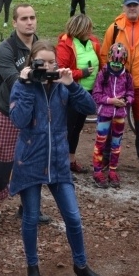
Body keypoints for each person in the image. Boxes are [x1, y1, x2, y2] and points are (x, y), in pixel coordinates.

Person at [8, 40, 105, 276]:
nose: (48, 66)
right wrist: (27, 85)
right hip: (30, 161)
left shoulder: (63, 88)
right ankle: (32, 266)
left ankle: (81, 265)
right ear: (31, 64)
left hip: (58, 162)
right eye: (42, 62)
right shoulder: (21, 86)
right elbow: (18, 120)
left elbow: (91, 108)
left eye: (52, 62)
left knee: (73, 217)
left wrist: (72, 85)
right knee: (30, 218)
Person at [0, 4, 49, 235]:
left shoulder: (40, 46)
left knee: (32, 161)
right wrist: (37, 77)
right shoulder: (6, 48)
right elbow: (12, 79)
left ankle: (28, 208)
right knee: (3, 161)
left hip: (34, 113)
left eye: (32, 17)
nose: (29, 22)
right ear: (14, 22)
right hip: (8, 112)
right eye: (24, 18)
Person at [100, 0, 139, 179]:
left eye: (135, 5)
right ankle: (105, 159)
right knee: (113, 124)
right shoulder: (115, 28)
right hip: (118, 85)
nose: (132, 8)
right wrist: (109, 78)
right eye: (129, 5)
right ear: (124, 7)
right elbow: (105, 55)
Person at [56, 13, 101, 175]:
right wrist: (80, 73)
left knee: (77, 128)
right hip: (71, 93)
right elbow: (60, 71)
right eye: (87, 28)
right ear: (79, 28)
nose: (91, 31)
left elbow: (100, 63)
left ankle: (71, 160)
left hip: (87, 93)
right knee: (67, 128)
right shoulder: (65, 45)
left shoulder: (93, 42)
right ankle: (61, 164)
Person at [90, 43, 134, 188]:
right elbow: (96, 94)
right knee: (100, 142)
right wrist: (110, 101)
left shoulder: (127, 75)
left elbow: (131, 93)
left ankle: (113, 170)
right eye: (113, 62)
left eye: (119, 63)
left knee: (116, 144)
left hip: (119, 114)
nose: (116, 66)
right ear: (109, 58)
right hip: (104, 113)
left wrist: (126, 101)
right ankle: (97, 171)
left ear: (124, 61)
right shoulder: (103, 73)